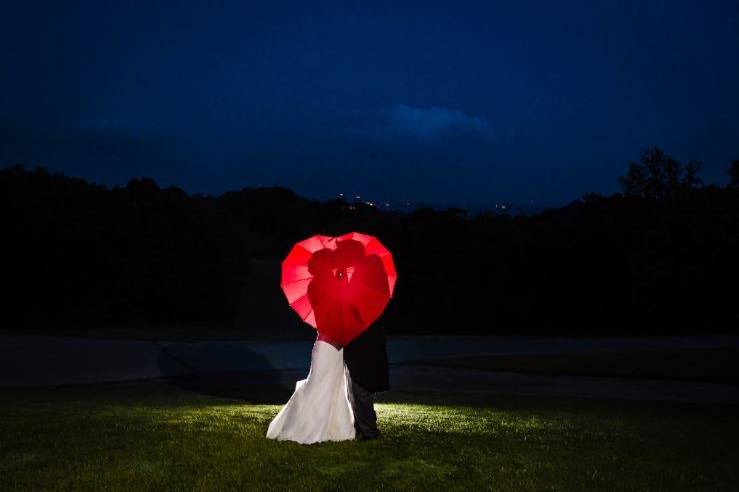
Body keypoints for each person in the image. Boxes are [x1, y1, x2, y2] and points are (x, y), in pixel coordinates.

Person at [265, 331, 356, 444]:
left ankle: (334, 427)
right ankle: (308, 426)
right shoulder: (329, 315)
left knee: (335, 388)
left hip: (338, 352)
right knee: (319, 387)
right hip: (326, 347)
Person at [343, 322, 390, 440]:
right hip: (356, 355)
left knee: (361, 391)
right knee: (354, 391)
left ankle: (370, 431)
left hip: (363, 355)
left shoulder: (369, 319)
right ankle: (360, 425)